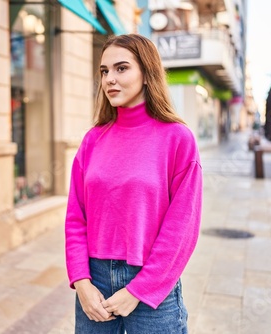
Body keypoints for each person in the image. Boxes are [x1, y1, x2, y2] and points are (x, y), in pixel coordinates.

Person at [64, 34, 202, 333]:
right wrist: (81, 281)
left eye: (121, 68)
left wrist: (139, 289)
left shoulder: (177, 138)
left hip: (153, 286)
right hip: (95, 283)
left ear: (147, 73)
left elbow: (182, 227)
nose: (110, 79)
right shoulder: (93, 140)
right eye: (104, 71)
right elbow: (76, 217)